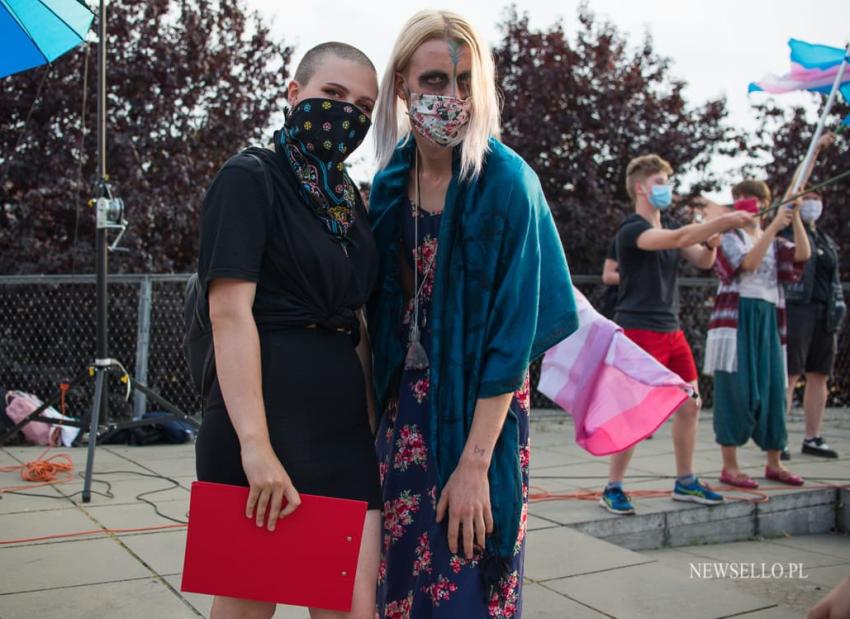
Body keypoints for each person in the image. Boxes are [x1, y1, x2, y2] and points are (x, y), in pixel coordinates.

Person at [367, 10, 579, 617]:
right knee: (394, 582)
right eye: (434, 81)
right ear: (403, 82)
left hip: (478, 418)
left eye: (465, 83)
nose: (450, 98)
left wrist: (474, 467)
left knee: (463, 574)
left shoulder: (509, 182)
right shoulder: (386, 184)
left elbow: (514, 342)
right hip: (400, 418)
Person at [194, 42, 381, 619]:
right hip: (261, 423)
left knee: (352, 605)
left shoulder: (350, 200)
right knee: (250, 608)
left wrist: (372, 428)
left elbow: (359, 322)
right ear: (294, 94)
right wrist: (256, 448)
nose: (347, 112)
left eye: (363, 105)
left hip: (341, 430)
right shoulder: (250, 177)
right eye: (333, 94)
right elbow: (228, 312)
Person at [599, 154, 753, 516]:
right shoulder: (632, 230)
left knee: (690, 404)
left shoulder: (666, 224)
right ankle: (613, 487)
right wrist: (727, 219)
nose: (667, 188)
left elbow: (700, 259)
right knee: (635, 413)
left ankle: (686, 481)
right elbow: (682, 236)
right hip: (639, 330)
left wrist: (713, 242)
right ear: (641, 187)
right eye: (660, 182)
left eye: (668, 181)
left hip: (672, 329)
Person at [704, 179, 811, 489]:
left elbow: (802, 255)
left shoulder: (774, 240)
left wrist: (796, 218)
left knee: (773, 387)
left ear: (764, 203)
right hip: (737, 319)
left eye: (751, 198)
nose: (744, 202)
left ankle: (774, 461)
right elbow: (747, 263)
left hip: (769, 318)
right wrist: (774, 227)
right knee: (736, 388)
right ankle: (730, 465)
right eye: (739, 198)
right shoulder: (729, 236)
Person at [782, 134, 844, 459]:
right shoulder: (787, 228)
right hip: (798, 309)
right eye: (809, 198)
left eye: (817, 199)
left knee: (820, 374)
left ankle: (813, 437)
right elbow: (794, 190)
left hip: (825, 312)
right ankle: (779, 437)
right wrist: (816, 150)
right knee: (791, 372)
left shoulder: (827, 240)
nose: (812, 203)